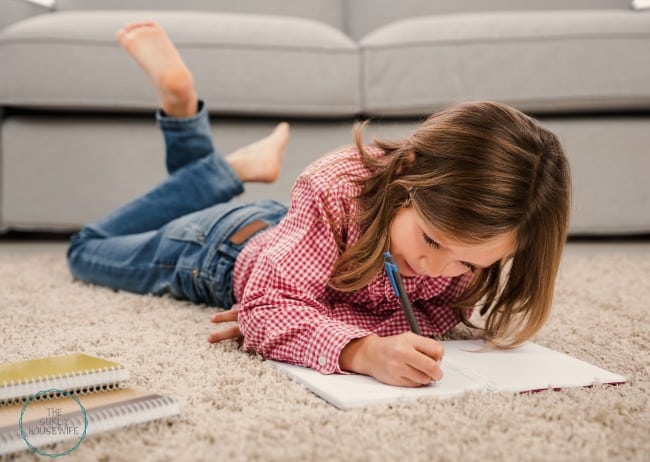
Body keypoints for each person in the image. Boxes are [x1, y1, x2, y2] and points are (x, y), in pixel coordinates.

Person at [67, 21, 571, 388]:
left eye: (467, 261)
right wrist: (359, 350)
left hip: (288, 238)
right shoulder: (335, 185)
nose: (434, 267)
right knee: (86, 250)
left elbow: (435, 312)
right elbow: (268, 307)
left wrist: (304, 321)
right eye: (432, 238)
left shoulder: (474, 238)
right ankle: (224, 168)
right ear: (407, 174)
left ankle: (190, 129)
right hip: (216, 251)